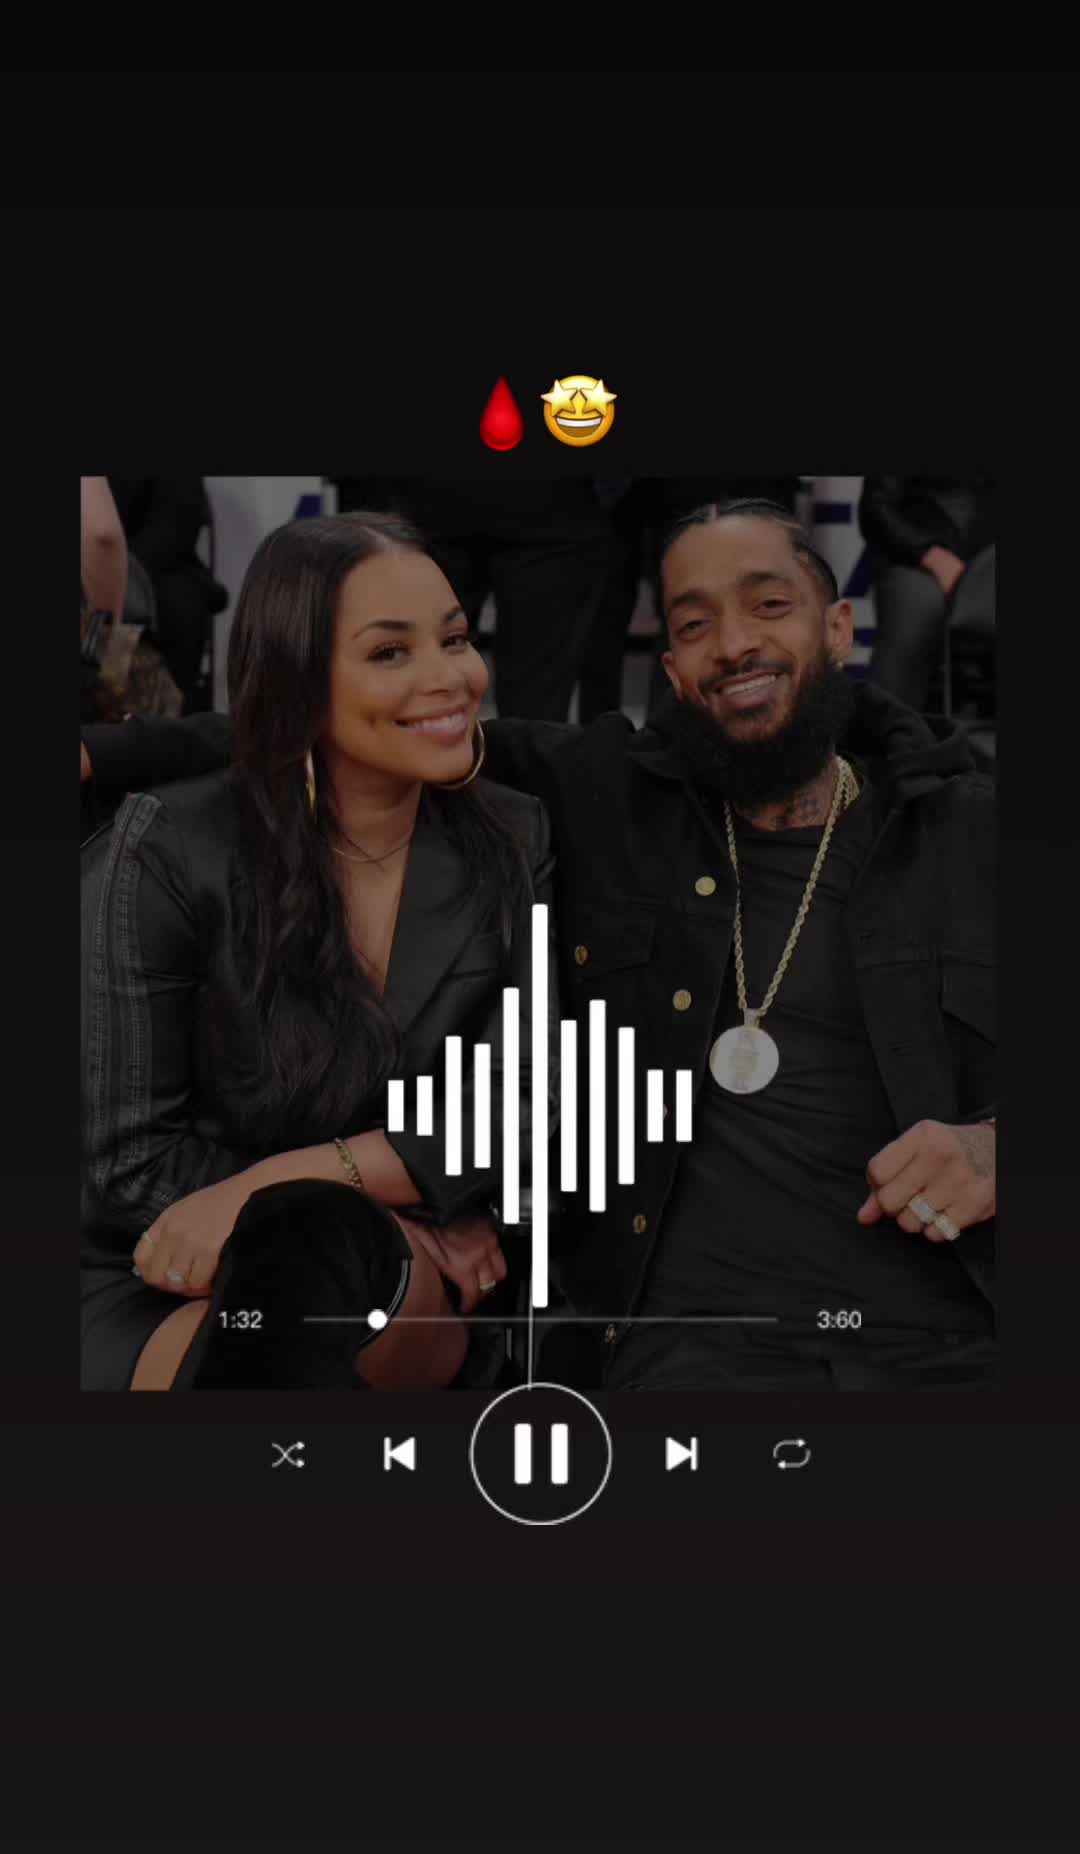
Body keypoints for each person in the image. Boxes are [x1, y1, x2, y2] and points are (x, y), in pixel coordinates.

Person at [82, 500, 995, 1393]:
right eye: (693, 624)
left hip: (953, 1334)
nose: (734, 644)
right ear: (670, 670)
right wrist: (102, 755)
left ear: (838, 629)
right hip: (690, 1348)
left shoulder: (970, 827)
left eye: (769, 605)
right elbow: (325, 728)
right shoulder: (604, 795)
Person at [81, 512, 557, 1392]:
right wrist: (378, 1205)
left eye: (455, 639)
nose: (449, 678)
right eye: (390, 652)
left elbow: (521, 1111)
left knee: (331, 1265)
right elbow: (128, 1161)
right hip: (159, 1268)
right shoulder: (168, 849)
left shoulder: (514, 838)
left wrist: (313, 1190)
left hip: (408, 1277)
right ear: (297, 680)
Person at [859, 476, 995, 712]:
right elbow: (875, 508)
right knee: (918, 611)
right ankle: (885, 729)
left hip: (988, 559)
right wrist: (931, 555)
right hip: (918, 557)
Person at [108, 477, 229, 710]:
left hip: (153, 570)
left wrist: (123, 572)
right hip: (93, 573)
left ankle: (171, 712)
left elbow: (178, 523)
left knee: (181, 603)